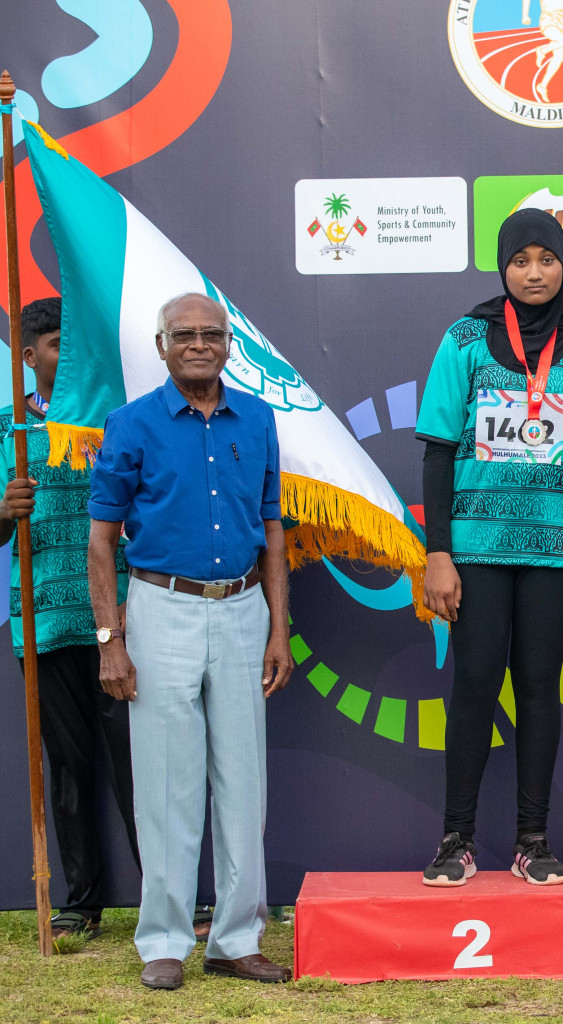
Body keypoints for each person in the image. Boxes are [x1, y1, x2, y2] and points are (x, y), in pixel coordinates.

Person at [88, 293, 294, 989]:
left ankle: (237, 939)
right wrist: (110, 639)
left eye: (212, 334)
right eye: (185, 335)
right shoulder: (130, 424)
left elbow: (272, 530)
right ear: (161, 345)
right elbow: (100, 540)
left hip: (241, 610)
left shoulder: (259, 418)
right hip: (159, 609)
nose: (199, 344)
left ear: (229, 345)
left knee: (245, 785)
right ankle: (165, 942)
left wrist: (279, 628)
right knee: (167, 786)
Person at [417, 208, 563, 887]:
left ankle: (533, 842)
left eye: (547, 259)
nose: (534, 272)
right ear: (502, 267)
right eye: (520, 260)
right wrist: (437, 553)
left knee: (538, 688)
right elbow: (438, 451)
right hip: (475, 549)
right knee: (475, 685)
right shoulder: (465, 339)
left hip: (557, 550)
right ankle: (457, 840)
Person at [0, 297, 138, 941]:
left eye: (75, 342)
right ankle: (81, 903)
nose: (69, 354)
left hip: (124, 619)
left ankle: (171, 895)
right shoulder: (10, 432)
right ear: (29, 357)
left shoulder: (120, 423)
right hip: (45, 622)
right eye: (57, 344)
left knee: (144, 763)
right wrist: (6, 510)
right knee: (69, 765)